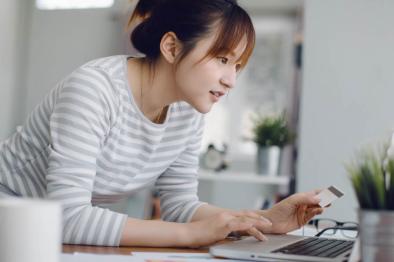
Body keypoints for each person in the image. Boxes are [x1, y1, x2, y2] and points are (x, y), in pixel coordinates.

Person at [0, 0, 323, 247]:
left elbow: (180, 205)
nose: (231, 80)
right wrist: (190, 234)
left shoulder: (188, 111)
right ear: (171, 47)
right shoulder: (94, 90)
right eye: (223, 59)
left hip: (43, 233)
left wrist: (266, 221)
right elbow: (67, 217)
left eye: (237, 65)